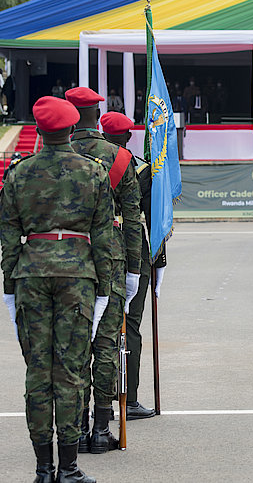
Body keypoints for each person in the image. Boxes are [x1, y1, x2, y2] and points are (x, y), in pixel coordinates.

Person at [1, 96, 114, 483]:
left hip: (30, 274)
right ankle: (68, 467)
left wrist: (8, 286)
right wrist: (106, 286)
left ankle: (43, 469)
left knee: (38, 372)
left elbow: (8, 235)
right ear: (70, 128)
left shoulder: (19, 173)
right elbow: (103, 236)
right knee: (69, 372)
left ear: (41, 130)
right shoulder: (94, 173)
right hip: (78, 277)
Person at [65, 87, 142, 454]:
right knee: (107, 345)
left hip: (68, 260)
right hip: (109, 261)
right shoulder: (120, 157)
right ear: (98, 113)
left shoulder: (56, 154)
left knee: (75, 345)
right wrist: (133, 270)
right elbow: (131, 220)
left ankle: (77, 428)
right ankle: (100, 429)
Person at [100, 111, 166, 420]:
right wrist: (160, 260)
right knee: (132, 325)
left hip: (92, 249)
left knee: (99, 327)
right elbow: (152, 220)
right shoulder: (140, 168)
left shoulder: (89, 160)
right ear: (128, 136)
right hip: (132, 254)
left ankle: (99, 403)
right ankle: (130, 396)